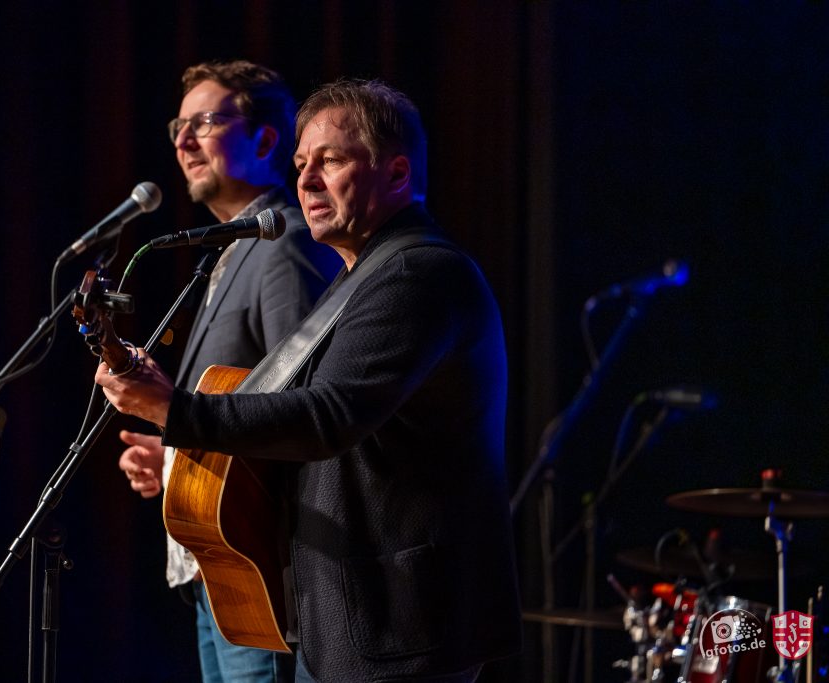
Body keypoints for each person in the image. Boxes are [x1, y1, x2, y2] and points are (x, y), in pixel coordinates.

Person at [101, 79, 521, 682]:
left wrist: (176, 411)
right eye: (301, 165)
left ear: (397, 172)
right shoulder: (361, 277)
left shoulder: (418, 272)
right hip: (352, 616)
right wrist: (180, 450)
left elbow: (325, 417)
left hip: (401, 622)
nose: (307, 181)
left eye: (331, 160)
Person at [115, 60, 338, 683]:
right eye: (178, 127)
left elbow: (300, 405)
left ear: (266, 140)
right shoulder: (234, 249)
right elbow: (241, 396)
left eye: (206, 123)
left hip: (253, 563)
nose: (184, 142)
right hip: (214, 564)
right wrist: (171, 458)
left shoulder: (284, 242)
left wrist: (174, 415)